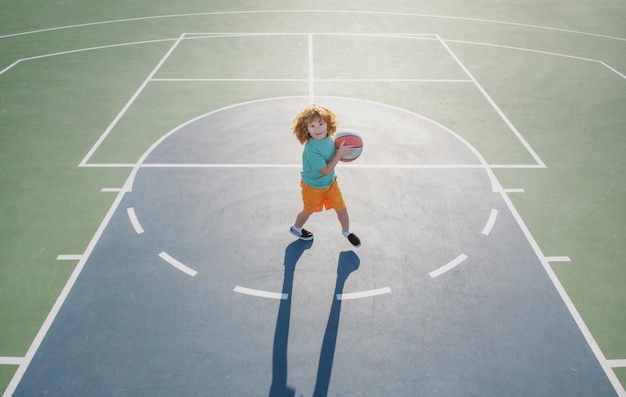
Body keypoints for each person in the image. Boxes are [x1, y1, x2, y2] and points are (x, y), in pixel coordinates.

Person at [289, 105, 361, 247]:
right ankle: (296, 228)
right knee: (308, 211)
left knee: (342, 209)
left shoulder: (331, 140)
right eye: (312, 126)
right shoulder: (311, 149)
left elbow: (332, 158)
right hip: (313, 186)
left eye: (321, 124)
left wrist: (344, 152)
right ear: (306, 129)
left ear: (328, 125)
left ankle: (346, 232)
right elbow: (326, 170)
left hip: (330, 184)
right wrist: (340, 154)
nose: (318, 129)